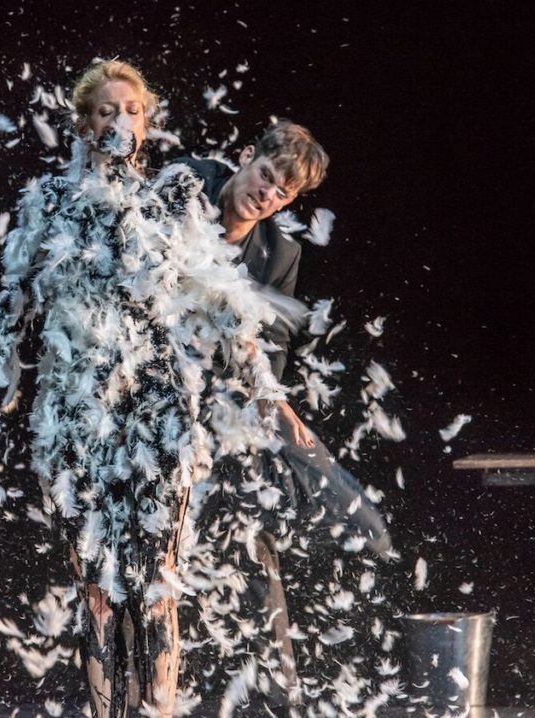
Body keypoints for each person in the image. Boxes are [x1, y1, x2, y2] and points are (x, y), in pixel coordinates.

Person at [0, 60, 287, 718]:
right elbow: (11, 305)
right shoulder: (50, 202)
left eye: (132, 111)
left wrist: (263, 386)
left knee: (159, 585)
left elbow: (221, 296)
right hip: (75, 413)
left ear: (147, 123)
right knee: (98, 591)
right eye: (107, 111)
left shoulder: (172, 197)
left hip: (159, 407)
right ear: (84, 123)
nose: (120, 123)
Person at [176, 123, 392, 707]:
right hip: (163, 394)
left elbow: (270, 346)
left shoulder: (280, 252)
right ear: (246, 157)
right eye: (266, 176)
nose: (266, 195)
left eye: (282, 193)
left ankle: (275, 696)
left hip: (232, 404)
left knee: (350, 520)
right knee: (205, 540)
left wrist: (271, 404)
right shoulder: (188, 184)